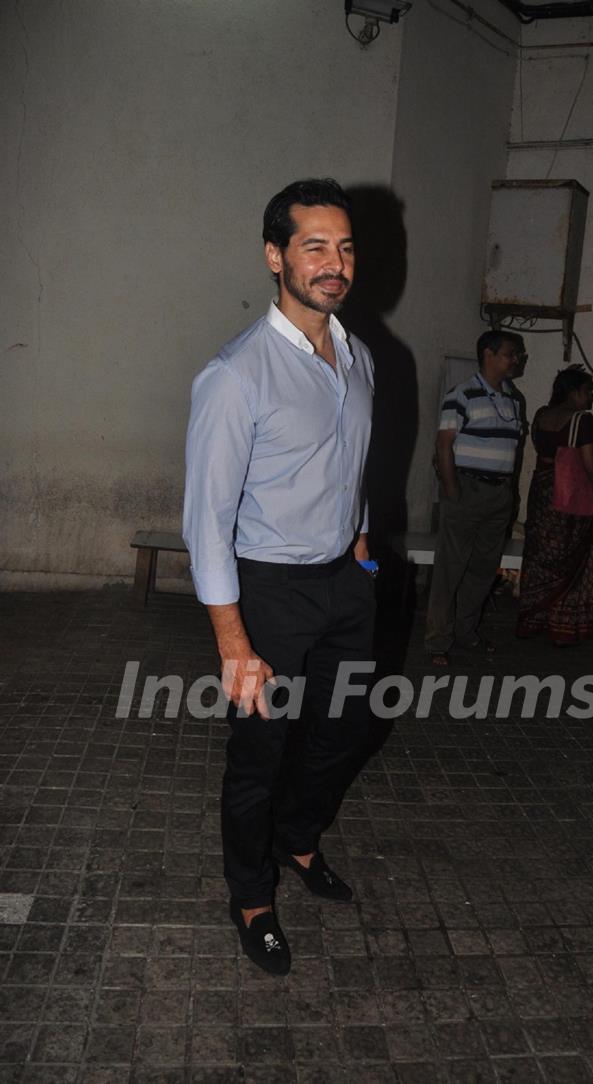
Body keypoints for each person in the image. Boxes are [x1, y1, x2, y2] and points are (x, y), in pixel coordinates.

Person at [183, 179, 376, 975]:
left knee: (342, 732)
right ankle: (251, 893)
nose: (334, 264)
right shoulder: (236, 375)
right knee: (259, 753)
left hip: (345, 581)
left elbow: (352, 461)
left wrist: (363, 546)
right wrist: (234, 640)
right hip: (267, 592)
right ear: (275, 256)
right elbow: (206, 519)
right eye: (314, 247)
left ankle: (300, 842)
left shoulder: (358, 353)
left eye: (346, 247)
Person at [425, 330, 526, 666]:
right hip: (467, 489)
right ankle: (438, 641)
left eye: (517, 354)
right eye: (511, 353)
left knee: (483, 570)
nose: (516, 360)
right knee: (449, 569)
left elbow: (515, 448)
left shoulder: (514, 399)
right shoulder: (463, 394)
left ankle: (467, 634)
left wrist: (510, 493)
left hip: (499, 495)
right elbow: (443, 445)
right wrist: (453, 491)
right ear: (488, 354)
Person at [517, 365, 593, 644]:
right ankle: (565, 626)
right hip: (569, 498)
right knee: (575, 557)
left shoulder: (540, 416)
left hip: (541, 496)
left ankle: (533, 618)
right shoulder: (583, 421)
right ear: (573, 392)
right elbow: (592, 467)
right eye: (589, 391)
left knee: (540, 555)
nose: (592, 397)